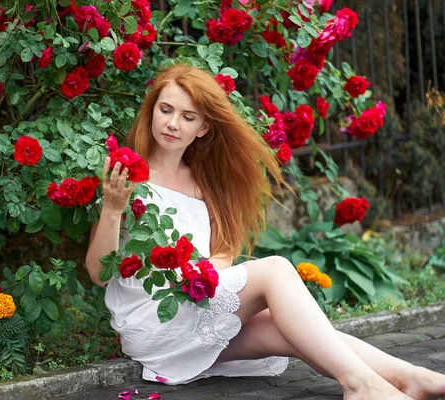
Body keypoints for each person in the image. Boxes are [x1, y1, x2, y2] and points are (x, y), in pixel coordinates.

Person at [85, 63, 445, 399]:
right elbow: (99, 274)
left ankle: (411, 377)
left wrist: (208, 285)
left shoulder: (203, 184)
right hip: (153, 323)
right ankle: (362, 386)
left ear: (204, 128)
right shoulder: (126, 175)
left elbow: (222, 255)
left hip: (193, 307)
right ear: (152, 111)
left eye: (187, 116)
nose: (173, 123)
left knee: (287, 328)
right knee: (274, 270)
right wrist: (114, 208)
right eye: (166, 110)